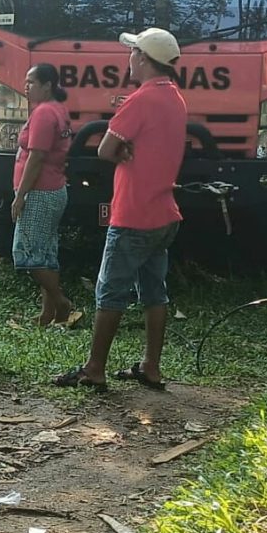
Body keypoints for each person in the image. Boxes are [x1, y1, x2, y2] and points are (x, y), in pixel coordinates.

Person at [54, 28, 187, 392]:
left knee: (110, 292)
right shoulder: (175, 97)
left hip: (133, 214)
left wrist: (121, 149)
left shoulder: (141, 99)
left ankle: (94, 368)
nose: (129, 58)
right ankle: (151, 367)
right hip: (164, 211)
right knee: (154, 292)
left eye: (132, 52)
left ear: (143, 59)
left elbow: (104, 150)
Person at [11, 64, 74, 326]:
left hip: (40, 191)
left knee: (29, 255)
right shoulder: (56, 109)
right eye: (26, 82)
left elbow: (36, 157)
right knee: (47, 253)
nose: (26, 87)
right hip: (54, 189)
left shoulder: (45, 113)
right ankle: (47, 313)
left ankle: (61, 303)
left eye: (32, 82)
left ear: (47, 85)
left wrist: (20, 195)